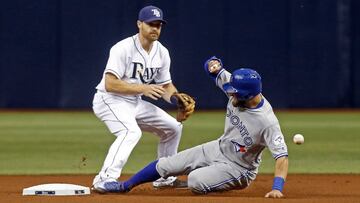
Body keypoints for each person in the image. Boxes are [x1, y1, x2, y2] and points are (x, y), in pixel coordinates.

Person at [96, 56, 289, 198]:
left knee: (196, 181)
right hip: (218, 148)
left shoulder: (267, 122)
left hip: (239, 169)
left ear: (249, 95)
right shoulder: (236, 86)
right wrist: (213, 64)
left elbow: (281, 157)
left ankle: (203, 179)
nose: (231, 95)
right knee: (166, 163)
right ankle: (124, 186)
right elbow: (211, 67)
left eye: (236, 94)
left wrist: (277, 188)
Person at [91, 5, 195, 193]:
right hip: (110, 100)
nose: (155, 28)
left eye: (159, 25)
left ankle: (165, 177)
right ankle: (104, 179)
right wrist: (143, 88)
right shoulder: (122, 48)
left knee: (173, 128)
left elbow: (165, 86)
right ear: (139, 24)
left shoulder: (162, 52)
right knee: (130, 132)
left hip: (134, 102)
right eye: (151, 24)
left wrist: (175, 99)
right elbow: (110, 84)